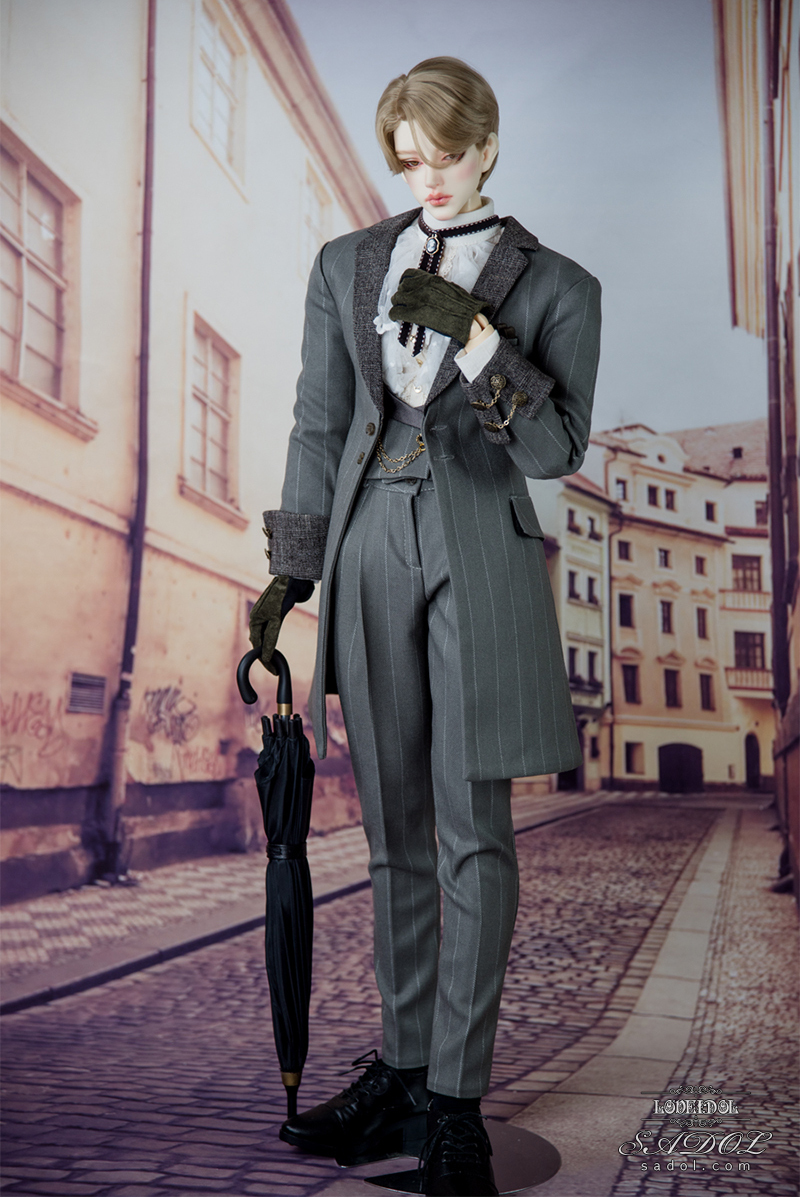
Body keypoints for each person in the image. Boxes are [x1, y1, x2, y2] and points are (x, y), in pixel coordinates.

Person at [262, 56, 601, 1197]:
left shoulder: (560, 286)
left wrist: (477, 338)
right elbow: (317, 423)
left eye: (447, 154)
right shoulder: (345, 263)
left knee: (473, 833)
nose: (429, 177)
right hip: (365, 545)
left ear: (488, 142)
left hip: (477, 552)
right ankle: (404, 1075)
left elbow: (554, 451)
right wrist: (291, 569)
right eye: (408, 160)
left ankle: (456, 1102)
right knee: (393, 831)